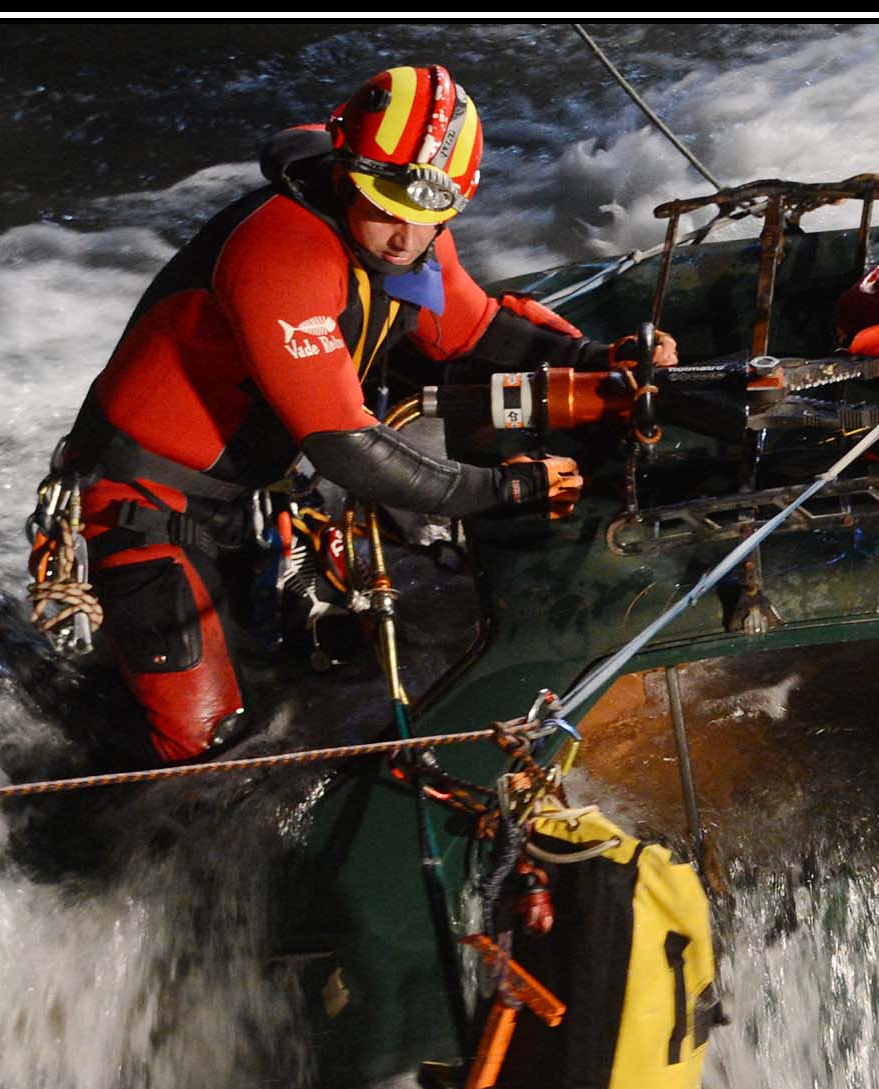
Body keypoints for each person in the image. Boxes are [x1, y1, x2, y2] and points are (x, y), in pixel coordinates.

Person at [57, 64, 676, 764]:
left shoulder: (411, 219)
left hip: (245, 495)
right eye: (386, 205)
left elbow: (468, 330)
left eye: (429, 216)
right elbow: (344, 446)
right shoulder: (281, 252)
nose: (404, 238)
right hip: (147, 503)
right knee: (206, 744)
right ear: (347, 171)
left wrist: (600, 357)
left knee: (287, 678)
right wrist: (507, 487)